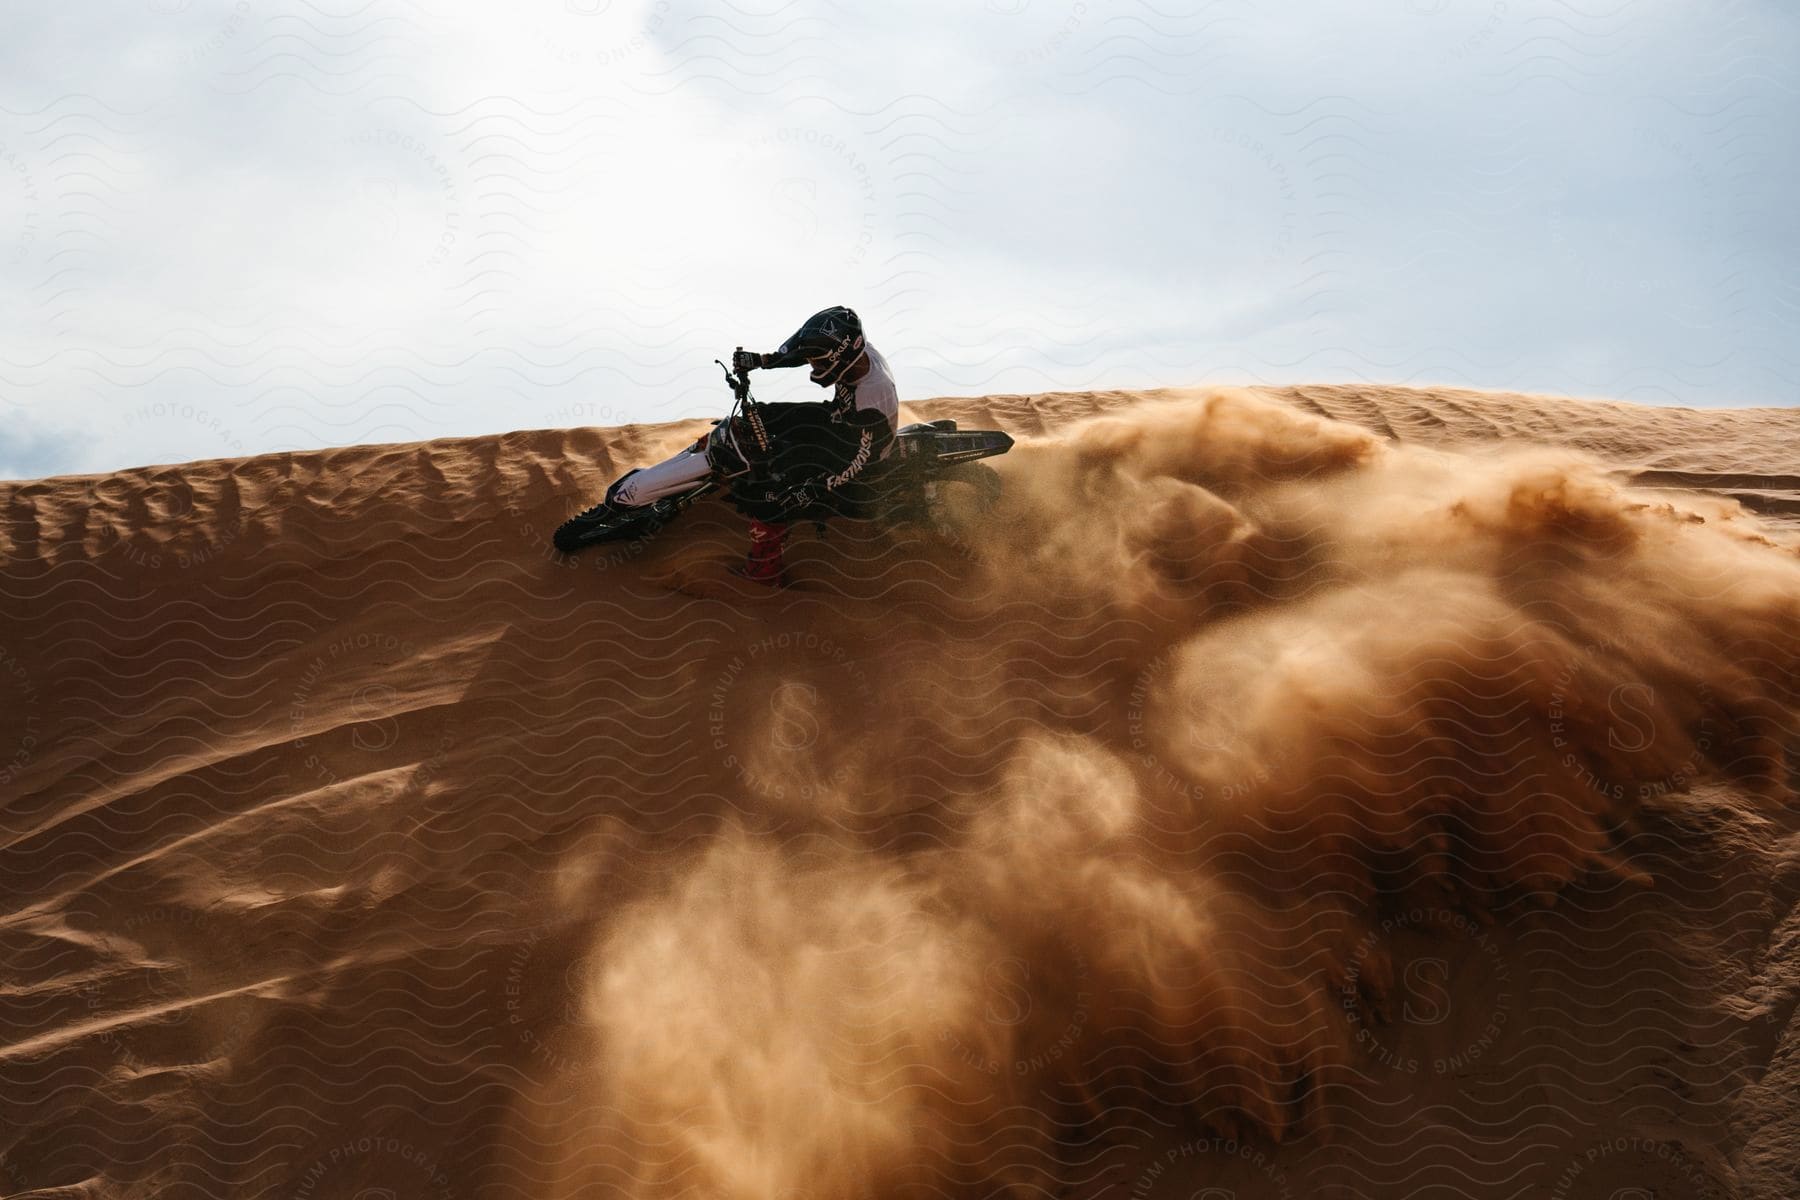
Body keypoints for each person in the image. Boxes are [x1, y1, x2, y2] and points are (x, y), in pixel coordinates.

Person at [602, 306, 900, 585]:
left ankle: (765, 569)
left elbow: (862, 460)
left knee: (775, 490)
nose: (813, 364)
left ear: (843, 357)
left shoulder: (873, 397)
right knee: (762, 414)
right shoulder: (852, 349)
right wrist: (762, 361)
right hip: (838, 419)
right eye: (815, 359)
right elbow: (799, 349)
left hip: (850, 451)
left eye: (820, 361)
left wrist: (818, 487)